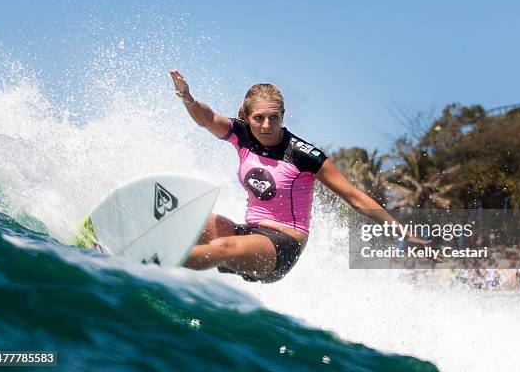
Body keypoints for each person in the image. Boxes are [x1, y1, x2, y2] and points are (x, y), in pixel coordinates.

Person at [169, 70, 431, 283]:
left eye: (274, 118)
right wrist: (187, 98)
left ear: (283, 116)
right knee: (195, 218)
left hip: (281, 247)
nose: (266, 126)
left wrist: (403, 232)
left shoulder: (304, 154)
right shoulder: (242, 135)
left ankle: (157, 261)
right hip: (249, 234)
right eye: (259, 118)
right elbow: (206, 119)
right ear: (246, 117)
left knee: (223, 247)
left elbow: (354, 197)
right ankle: (150, 240)